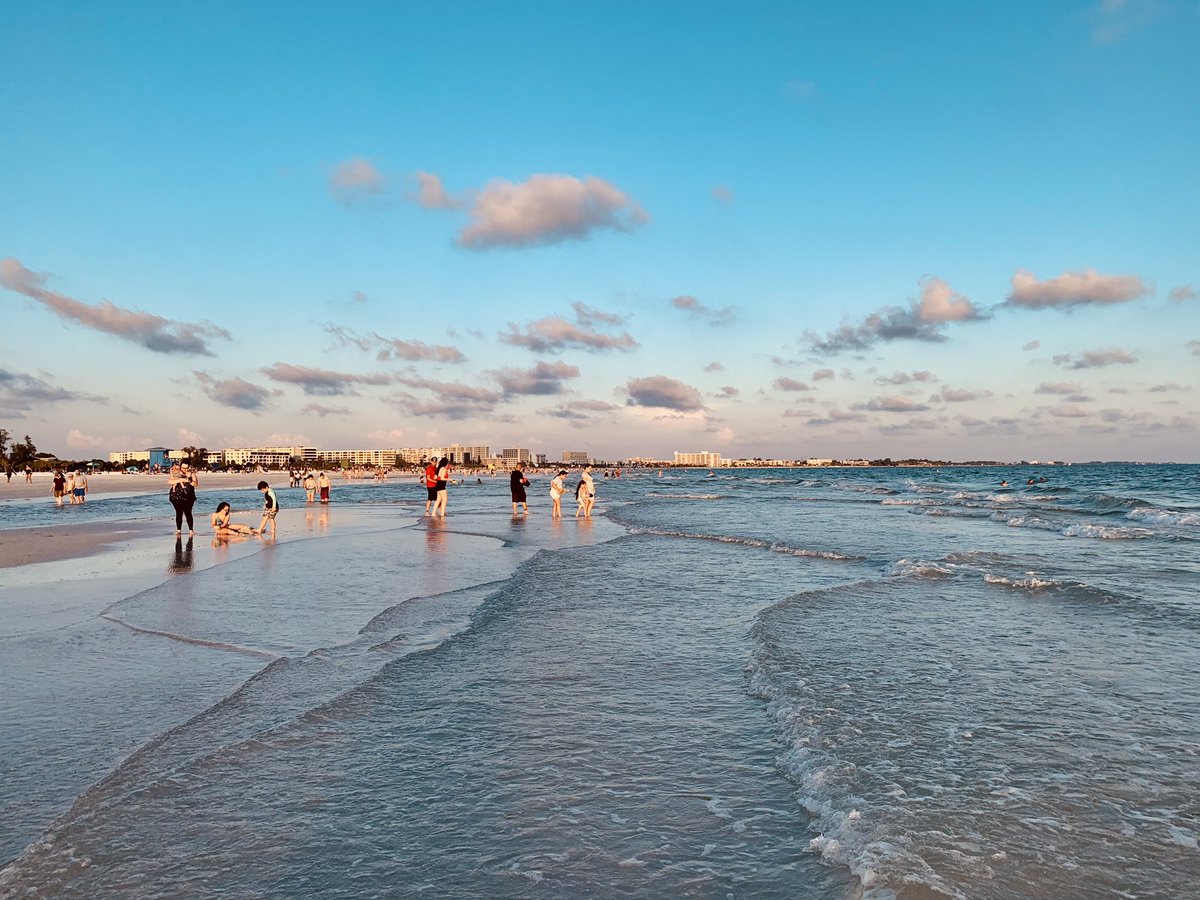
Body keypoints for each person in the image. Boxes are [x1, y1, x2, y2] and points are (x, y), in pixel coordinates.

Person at [168, 463, 198, 534]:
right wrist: (180, 480)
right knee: (179, 512)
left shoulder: (191, 474)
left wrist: (188, 481)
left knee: (188, 512)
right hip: (176, 496)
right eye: (183, 468)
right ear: (180, 467)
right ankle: (179, 530)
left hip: (189, 496)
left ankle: (191, 530)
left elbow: (195, 484)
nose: (185, 469)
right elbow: (170, 481)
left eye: (187, 468)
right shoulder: (176, 473)